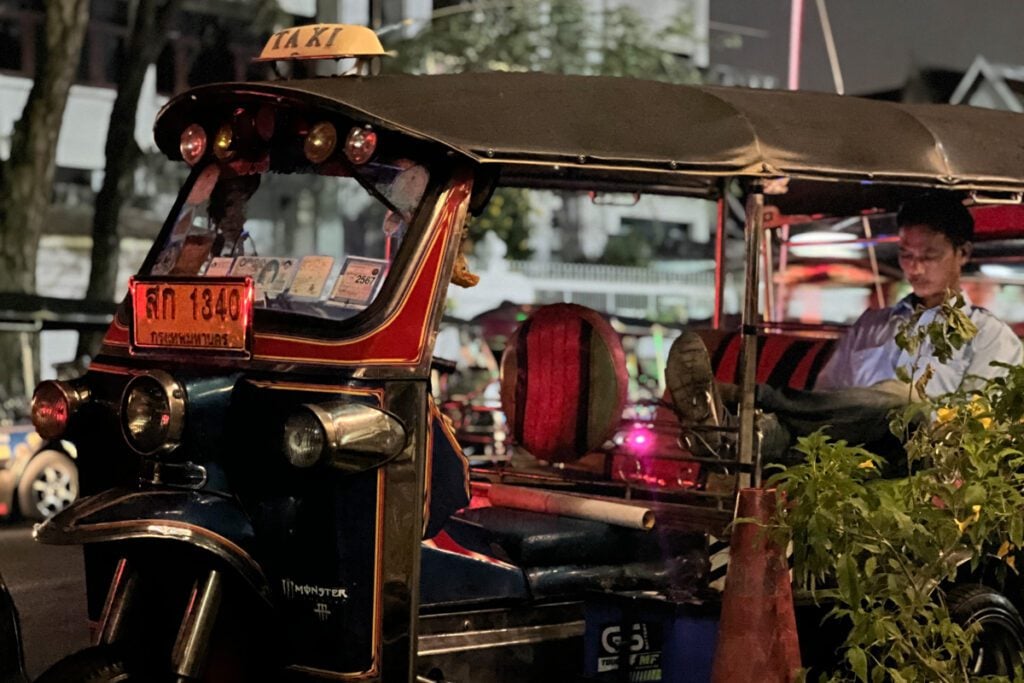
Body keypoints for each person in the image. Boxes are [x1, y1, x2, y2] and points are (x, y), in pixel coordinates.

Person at [668, 193, 1024, 466]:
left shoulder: (988, 335)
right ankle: (739, 436)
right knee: (827, 425)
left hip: (917, 457)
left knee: (905, 400)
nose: (914, 268)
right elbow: (827, 397)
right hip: (843, 445)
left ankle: (742, 397)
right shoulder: (873, 324)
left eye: (928, 256)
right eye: (905, 254)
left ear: (962, 253)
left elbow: (977, 427)